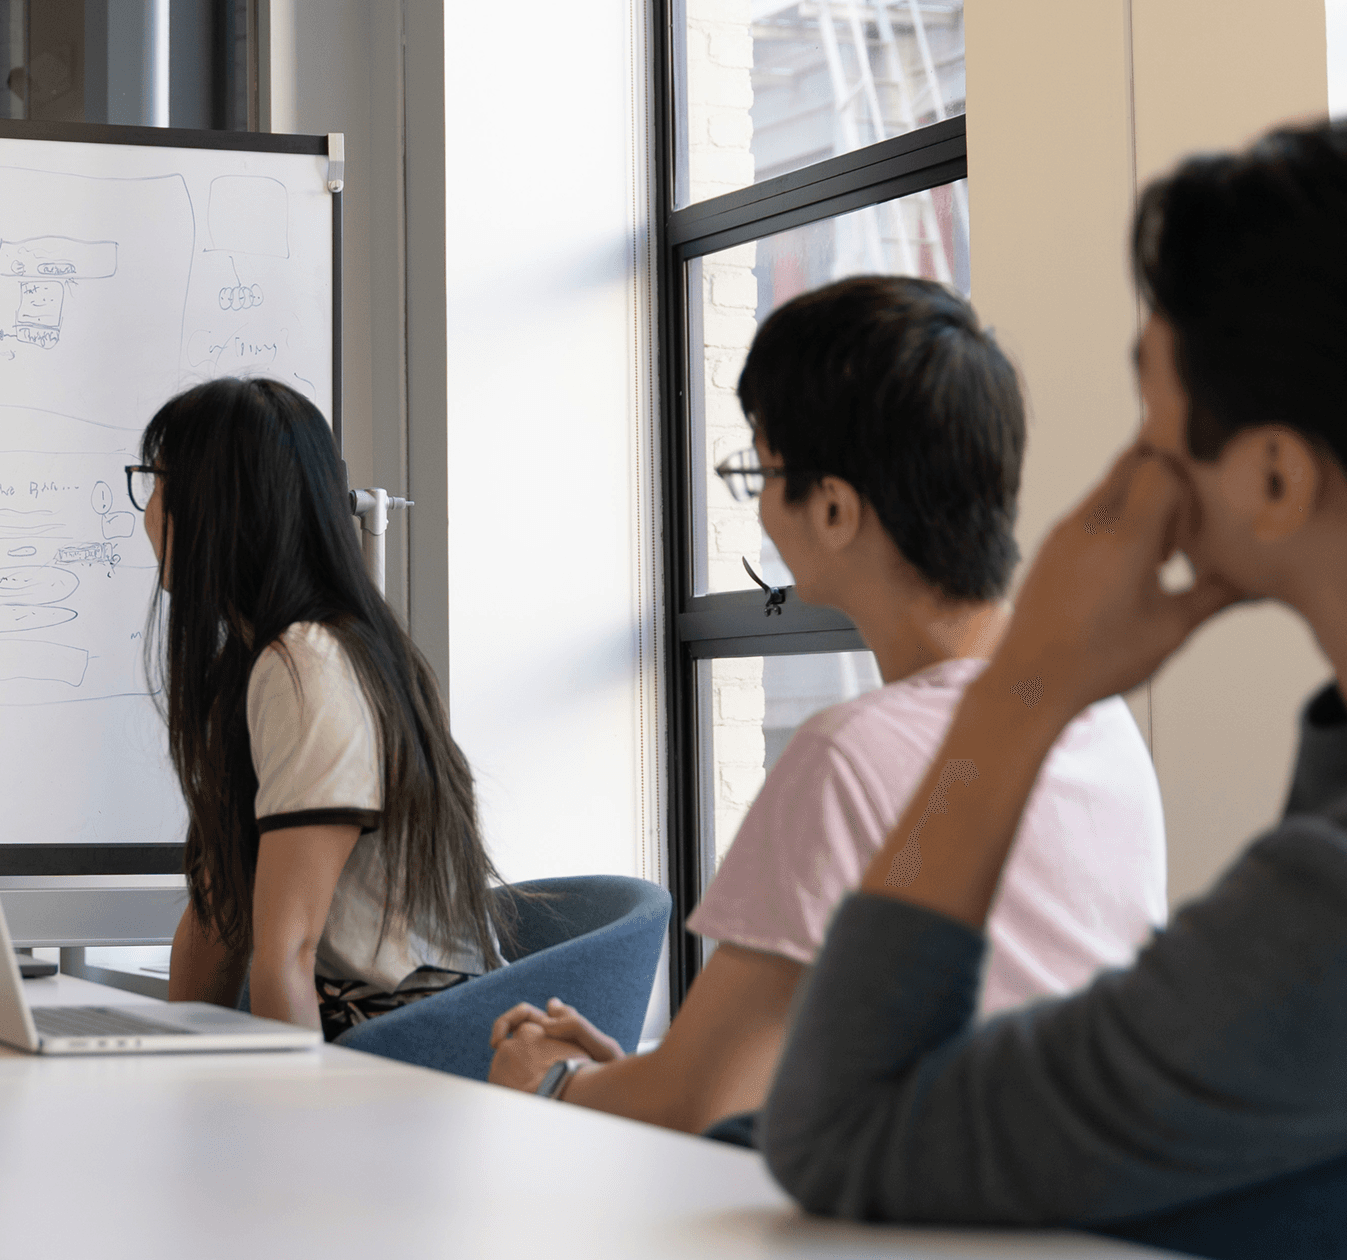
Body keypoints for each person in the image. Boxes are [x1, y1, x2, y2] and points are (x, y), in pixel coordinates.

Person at [758, 115, 1347, 1224]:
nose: (1138, 457)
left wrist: (1027, 686)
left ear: (1271, 479)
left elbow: (837, 1138)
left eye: (1152, 406)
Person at [484, 277, 1168, 1130]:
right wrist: (632, 1080)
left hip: (931, 1247)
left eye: (762, 471)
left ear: (837, 508)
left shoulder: (852, 754)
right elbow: (737, 1086)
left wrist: (545, 1080)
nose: (763, 506)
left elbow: (695, 1100)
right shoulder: (1090, 712)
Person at [132, 376, 503, 1038]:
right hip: (363, 1039)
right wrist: (172, 1061)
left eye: (158, 480)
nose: (147, 509)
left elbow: (286, 954)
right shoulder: (263, 661)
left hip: (402, 1054)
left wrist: (290, 1136)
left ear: (217, 504)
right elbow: (219, 917)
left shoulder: (306, 666)